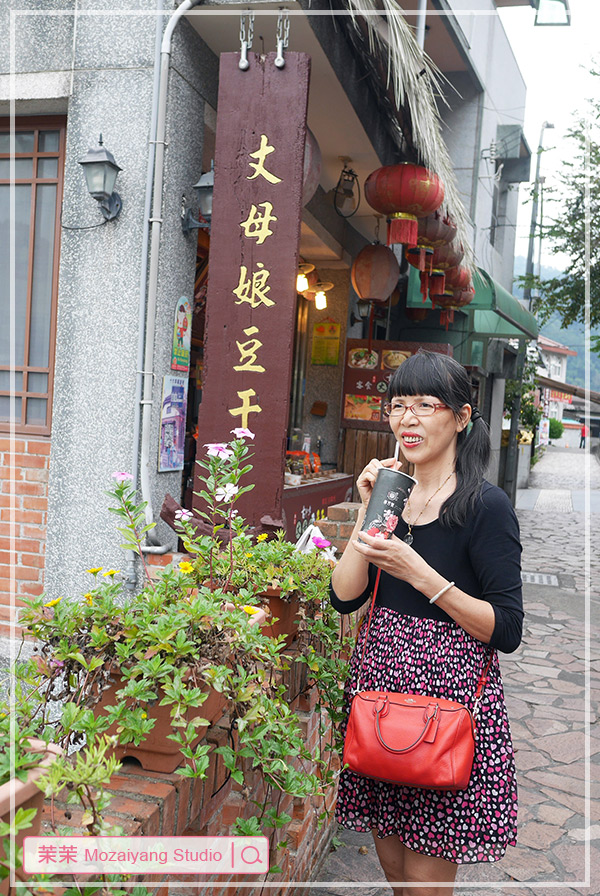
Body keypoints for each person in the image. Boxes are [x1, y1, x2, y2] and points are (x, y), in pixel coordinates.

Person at [330, 350, 523, 896]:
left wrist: (422, 575)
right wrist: (369, 513)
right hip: (381, 704)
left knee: (425, 884)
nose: (407, 419)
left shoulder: (485, 506)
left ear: (461, 417)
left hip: (448, 712)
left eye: (424, 405)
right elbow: (345, 598)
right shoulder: (393, 496)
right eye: (397, 406)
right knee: (394, 871)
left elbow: (507, 628)